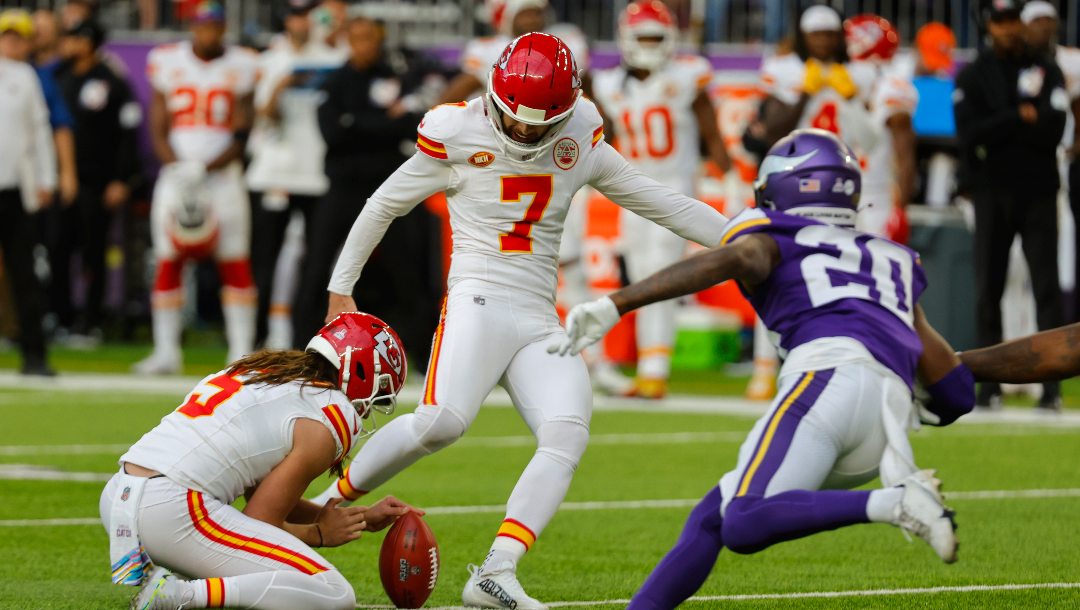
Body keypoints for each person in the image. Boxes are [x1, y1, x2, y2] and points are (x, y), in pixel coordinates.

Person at [310, 33, 727, 609]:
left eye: (542, 122)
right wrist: (341, 288)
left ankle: (497, 572)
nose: (527, 131)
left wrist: (746, 235)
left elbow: (664, 203)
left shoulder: (580, 132)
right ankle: (325, 503)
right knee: (442, 423)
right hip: (478, 294)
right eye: (515, 118)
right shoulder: (457, 131)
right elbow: (384, 203)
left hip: (538, 311)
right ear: (493, 95)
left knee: (567, 432)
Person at [553, 129, 971, 609]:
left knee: (744, 520)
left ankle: (896, 503)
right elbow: (955, 391)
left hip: (826, 386)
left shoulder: (769, 232)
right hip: (887, 420)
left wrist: (617, 304)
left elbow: (738, 255)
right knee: (716, 513)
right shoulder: (891, 257)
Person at [101, 311, 418, 610]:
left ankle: (177, 580)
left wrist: (354, 518)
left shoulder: (263, 369)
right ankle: (181, 593)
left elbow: (267, 495)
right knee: (332, 591)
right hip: (173, 509)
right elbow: (260, 518)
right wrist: (319, 534)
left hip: (120, 496)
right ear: (359, 373)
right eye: (381, 393)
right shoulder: (333, 412)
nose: (372, 406)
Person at [589, 0, 731, 398]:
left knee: (659, 272)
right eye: (643, 37)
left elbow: (712, 133)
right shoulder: (607, 84)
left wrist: (732, 176)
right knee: (640, 274)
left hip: (675, 188)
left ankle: (654, 368)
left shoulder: (688, 75)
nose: (650, 44)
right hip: (630, 189)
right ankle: (648, 363)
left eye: (656, 37)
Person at [741, 4, 877, 401]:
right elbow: (769, 131)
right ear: (803, 36)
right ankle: (765, 369)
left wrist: (847, 97)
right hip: (789, 188)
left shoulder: (861, 75)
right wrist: (806, 91)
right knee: (775, 274)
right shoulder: (784, 70)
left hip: (839, 188)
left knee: (844, 275)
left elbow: (871, 140)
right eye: (816, 34)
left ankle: (844, 360)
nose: (823, 41)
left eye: (830, 33)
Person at [291, 14, 441, 353]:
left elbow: (413, 125)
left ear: (380, 40)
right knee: (317, 265)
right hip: (343, 187)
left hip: (388, 187)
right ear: (348, 40)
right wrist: (381, 123)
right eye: (357, 37)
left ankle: (419, 353)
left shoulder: (397, 77)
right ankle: (300, 348)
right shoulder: (336, 81)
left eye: (370, 38)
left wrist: (356, 122)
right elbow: (332, 133)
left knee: (408, 270)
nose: (364, 45)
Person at [954, 0, 1068, 411]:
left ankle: (1051, 387)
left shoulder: (1045, 68)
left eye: (1012, 21)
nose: (1007, 29)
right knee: (989, 286)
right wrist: (1018, 118)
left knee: (1046, 287)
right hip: (990, 192)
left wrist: (998, 128)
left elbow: (1053, 130)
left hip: (1038, 190)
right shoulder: (972, 73)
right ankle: (990, 386)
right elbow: (968, 134)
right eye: (1000, 22)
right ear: (990, 26)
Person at [135, 1, 259, 374]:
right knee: (168, 258)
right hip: (177, 176)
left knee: (234, 259)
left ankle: (239, 352)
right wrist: (176, 165)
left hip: (223, 177)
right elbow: (158, 121)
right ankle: (166, 351)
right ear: (193, 27)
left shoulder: (243, 63)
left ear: (223, 27)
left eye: (214, 25)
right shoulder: (168, 60)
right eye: (202, 25)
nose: (208, 32)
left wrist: (208, 167)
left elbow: (243, 129)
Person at [247, 0, 347, 349]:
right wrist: (284, 84)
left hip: (318, 172)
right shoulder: (271, 59)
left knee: (317, 261)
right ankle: (256, 337)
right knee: (266, 258)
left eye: (308, 13)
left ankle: (304, 338)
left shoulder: (335, 56)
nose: (302, 21)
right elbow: (263, 114)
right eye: (296, 14)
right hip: (276, 170)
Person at [48, 19, 142, 342]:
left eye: (74, 38)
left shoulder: (111, 82)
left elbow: (127, 133)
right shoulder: (57, 76)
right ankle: (59, 316)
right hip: (59, 180)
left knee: (93, 252)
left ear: (88, 42)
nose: (68, 43)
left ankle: (91, 321)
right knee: (57, 249)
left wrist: (122, 179)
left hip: (97, 182)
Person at [0, 21, 56, 376]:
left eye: (19, 37)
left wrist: (46, 178)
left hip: (14, 188)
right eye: (8, 36)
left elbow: (40, 129)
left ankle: (34, 354)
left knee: (25, 273)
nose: (14, 43)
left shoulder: (26, 76)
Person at [844, 14, 917, 241]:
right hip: (841, 191)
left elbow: (904, 152)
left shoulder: (891, 87)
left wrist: (901, 209)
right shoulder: (843, 79)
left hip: (877, 196)